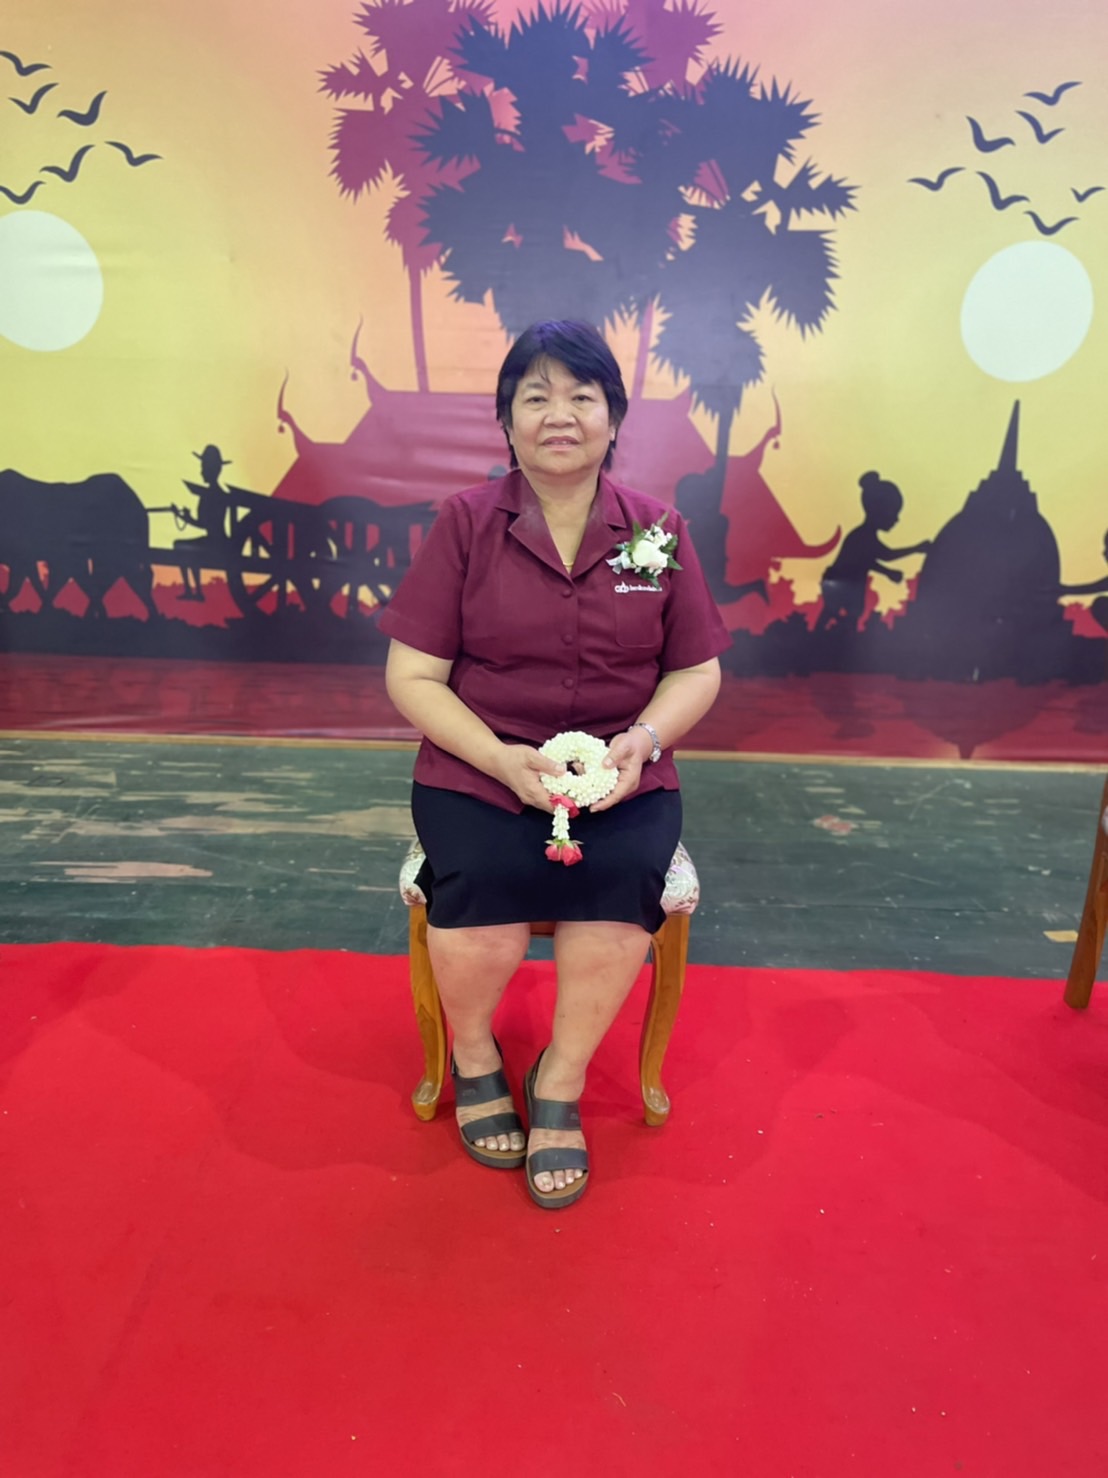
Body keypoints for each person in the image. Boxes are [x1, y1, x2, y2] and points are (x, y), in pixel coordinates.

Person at [378, 320, 730, 1210]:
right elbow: (411, 676)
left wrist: (645, 740)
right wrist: (500, 760)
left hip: (620, 776)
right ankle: (474, 1057)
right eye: (535, 397)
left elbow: (696, 671)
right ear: (507, 421)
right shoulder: (465, 524)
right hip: (480, 768)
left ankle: (560, 1080)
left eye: (582, 396)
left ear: (614, 417)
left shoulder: (658, 531)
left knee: (620, 881)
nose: (559, 415)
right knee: (485, 882)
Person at [816, 470, 931, 631]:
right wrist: (914, 550)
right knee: (836, 616)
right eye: (893, 513)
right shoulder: (861, 536)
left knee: (847, 618)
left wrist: (891, 570)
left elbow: (874, 558)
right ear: (878, 511)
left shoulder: (866, 535)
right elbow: (880, 557)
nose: (896, 519)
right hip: (841, 585)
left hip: (850, 586)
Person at [173, 444, 232, 600]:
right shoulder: (216, 493)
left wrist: (184, 517)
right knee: (187, 547)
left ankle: (193, 591)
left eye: (204, 467)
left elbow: (204, 524)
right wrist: (183, 516)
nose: (201, 471)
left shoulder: (211, 494)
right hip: (217, 541)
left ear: (211, 469)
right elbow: (204, 523)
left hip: (216, 543)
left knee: (180, 546)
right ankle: (196, 591)